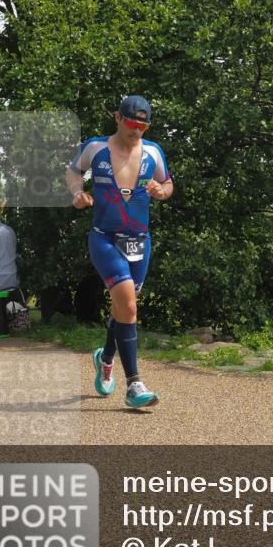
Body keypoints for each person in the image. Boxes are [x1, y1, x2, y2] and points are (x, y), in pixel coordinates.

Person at [66, 95, 173, 410]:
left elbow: (167, 184)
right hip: (105, 238)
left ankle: (105, 358)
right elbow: (73, 172)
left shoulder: (153, 151)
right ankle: (134, 384)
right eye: (131, 122)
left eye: (143, 125)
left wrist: (161, 191)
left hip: (140, 241)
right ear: (117, 117)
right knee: (127, 303)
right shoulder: (96, 147)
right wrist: (77, 193)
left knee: (124, 308)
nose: (136, 130)